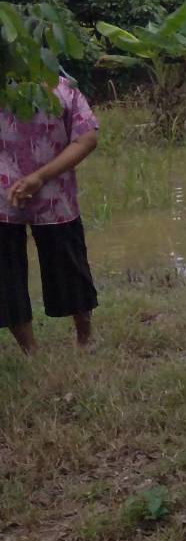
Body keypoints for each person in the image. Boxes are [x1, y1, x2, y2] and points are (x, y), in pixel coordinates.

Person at [1, 76, 101, 354]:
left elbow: (87, 138)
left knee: (63, 266)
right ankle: (72, 342)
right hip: (41, 195)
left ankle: (68, 342)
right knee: (60, 265)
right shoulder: (63, 88)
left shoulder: (63, 89)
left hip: (51, 197)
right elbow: (87, 138)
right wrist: (40, 178)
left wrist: (38, 177)